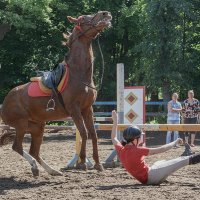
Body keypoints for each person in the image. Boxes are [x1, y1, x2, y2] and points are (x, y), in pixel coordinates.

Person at [111, 110, 200, 185]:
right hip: (152, 177)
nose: (142, 136)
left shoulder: (122, 149)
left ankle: (185, 155)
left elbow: (113, 137)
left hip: (148, 176)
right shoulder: (137, 150)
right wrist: (175, 142)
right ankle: (192, 157)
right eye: (141, 136)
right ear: (135, 139)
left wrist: (115, 122)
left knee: (161, 162)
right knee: (179, 161)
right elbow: (161, 149)